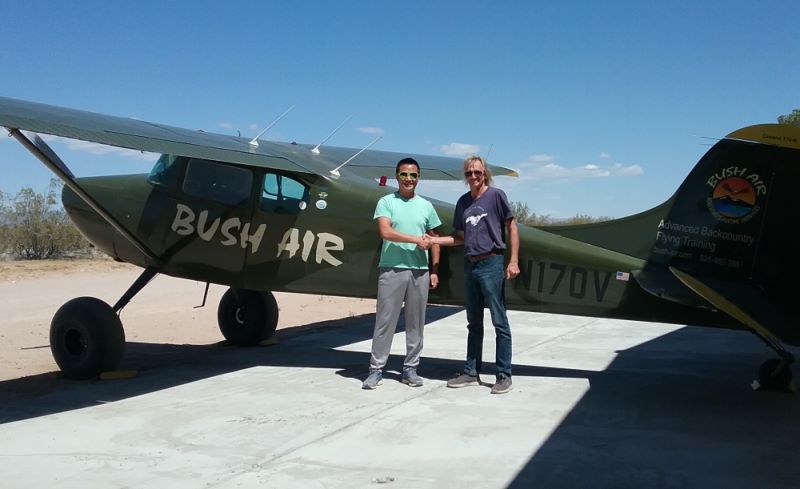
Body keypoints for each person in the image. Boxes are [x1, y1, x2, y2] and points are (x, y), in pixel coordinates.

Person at [423, 155, 519, 394]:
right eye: (469, 173)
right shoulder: (463, 202)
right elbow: (459, 237)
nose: (474, 177)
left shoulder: (496, 196)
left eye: (477, 172)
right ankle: (470, 371)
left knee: (499, 322)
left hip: (492, 263)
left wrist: (513, 260)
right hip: (470, 265)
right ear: (465, 177)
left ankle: (503, 374)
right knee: (473, 323)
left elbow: (512, 226)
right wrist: (434, 240)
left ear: (485, 173)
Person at [362, 157, 441, 390]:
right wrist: (416, 239)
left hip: (420, 272)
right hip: (392, 269)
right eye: (404, 175)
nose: (409, 179)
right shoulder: (386, 202)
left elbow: (435, 238)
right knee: (385, 321)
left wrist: (435, 270)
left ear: (419, 178)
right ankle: (376, 370)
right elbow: (386, 232)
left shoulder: (426, 206)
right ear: (397, 177)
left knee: (416, 322)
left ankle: (411, 369)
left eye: (413, 175)